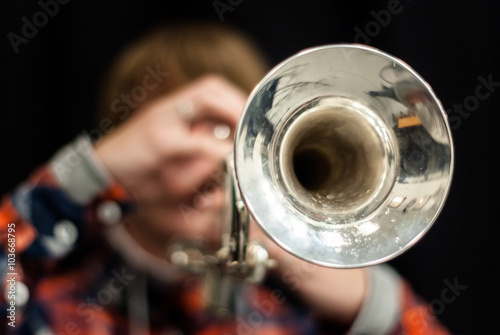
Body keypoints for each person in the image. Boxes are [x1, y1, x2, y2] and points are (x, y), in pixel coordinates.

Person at [0, 22, 450, 334]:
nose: (205, 155)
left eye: (228, 130)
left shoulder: (289, 310)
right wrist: (92, 172)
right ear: (128, 136)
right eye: (171, 127)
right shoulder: (50, 285)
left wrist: (367, 302)